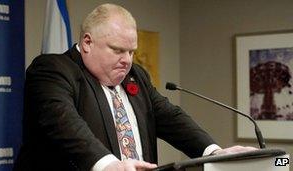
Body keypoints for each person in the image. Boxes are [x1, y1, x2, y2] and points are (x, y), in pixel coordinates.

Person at [14, 3, 256, 171]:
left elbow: (170, 117)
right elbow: (64, 123)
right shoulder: (52, 70)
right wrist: (108, 164)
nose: (127, 60)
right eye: (118, 50)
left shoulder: (135, 76)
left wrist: (213, 152)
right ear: (87, 42)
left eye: (131, 51)